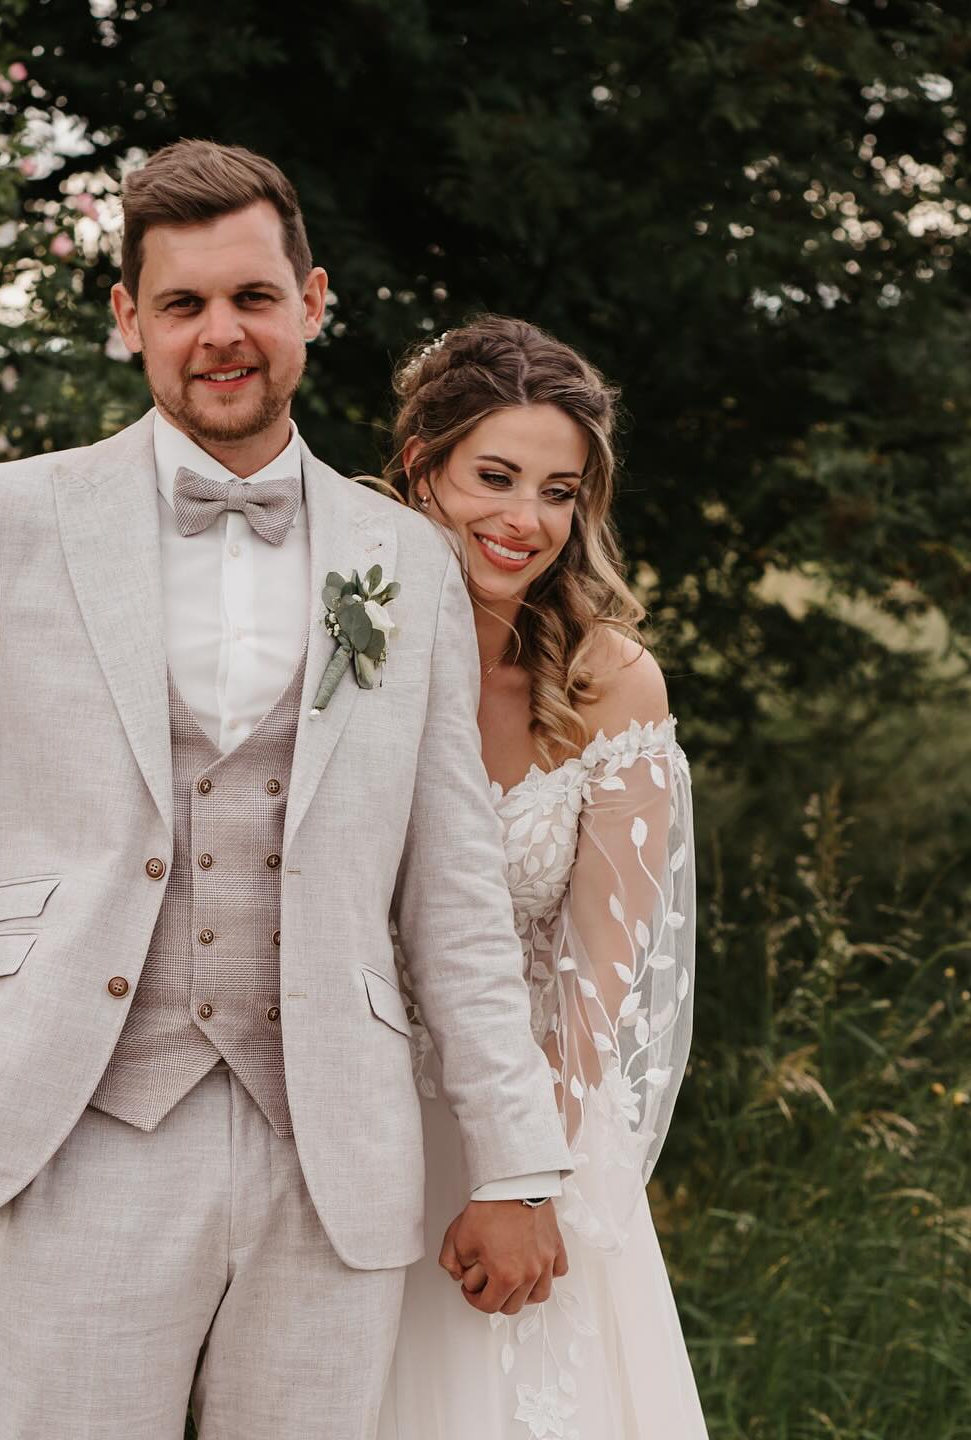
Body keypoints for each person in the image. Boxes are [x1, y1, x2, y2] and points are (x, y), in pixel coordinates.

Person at [0, 141, 574, 1439]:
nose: (220, 334)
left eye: (253, 298)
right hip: (76, 1123)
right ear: (128, 319)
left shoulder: (405, 559)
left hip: (331, 1138)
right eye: (182, 303)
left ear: (312, 303)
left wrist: (512, 1162)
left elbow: (450, 880)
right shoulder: (10, 519)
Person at [373, 316, 708, 1439]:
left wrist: (522, 1176)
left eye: (559, 491)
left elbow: (600, 980)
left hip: (528, 1118)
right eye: (495, 477)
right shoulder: (336, 650)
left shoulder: (612, 684)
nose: (525, 521)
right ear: (422, 468)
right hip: (346, 1121)